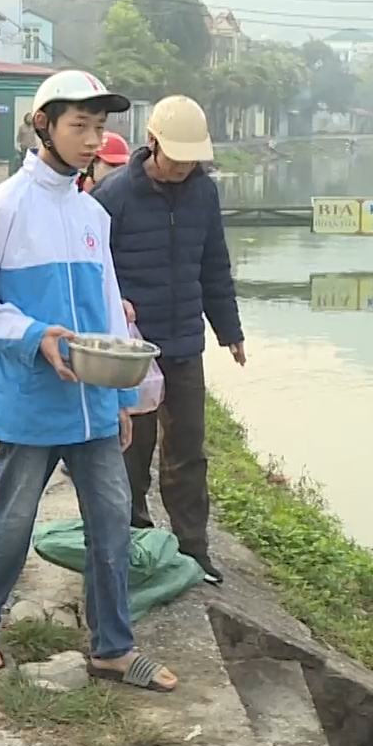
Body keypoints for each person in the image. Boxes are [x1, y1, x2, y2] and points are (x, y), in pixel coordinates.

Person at [0, 69, 176, 693]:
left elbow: (107, 307)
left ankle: (113, 647)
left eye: (99, 127)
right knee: (12, 520)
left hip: (93, 403)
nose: (92, 139)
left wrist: (125, 397)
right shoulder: (6, 206)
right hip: (30, 402)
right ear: (43, 124)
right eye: (79, 125)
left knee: (111, 519)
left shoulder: (89, 213)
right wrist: (33, 335)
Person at [90, 96, 243, 585]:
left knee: (188, 451)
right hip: (133, 350)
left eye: (190, 158)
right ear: (152, 142)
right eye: (175, 156)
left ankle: (192, 549)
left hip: (185, 343)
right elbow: (90, 269)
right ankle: (133, 542)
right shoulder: (112, 196)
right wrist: (114, 310)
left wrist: (229, 330)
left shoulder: (203, 195)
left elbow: (214, 264)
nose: (182, 167)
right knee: (133, 449)